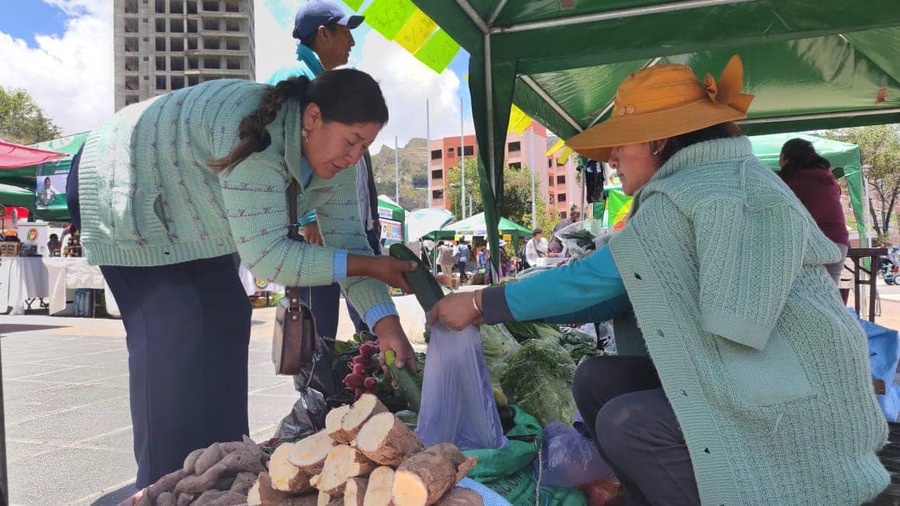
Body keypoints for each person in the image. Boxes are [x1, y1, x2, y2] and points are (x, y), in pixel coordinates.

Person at [427, 55, 889, 504]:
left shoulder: (695, 189)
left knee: (628, 423)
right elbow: (611, 293)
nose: (612, 157)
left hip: (780, 385)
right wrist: (508, 308)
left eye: (621, 142)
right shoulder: (700, 182)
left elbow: (595, 279)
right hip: (746, 368)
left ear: (656, 141)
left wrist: (483, 303)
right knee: (595, 380)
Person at [68, 69, 419, 491]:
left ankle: (223, 476)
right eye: (351, 141)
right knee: (175, 330)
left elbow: (351, 243)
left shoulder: (339, 161)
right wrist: (370, 266)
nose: (355, 157)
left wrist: (388, 326)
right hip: (122, 184)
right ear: (311, 118)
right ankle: (161, 488)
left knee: (228, 317)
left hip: (190, 212)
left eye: (365, 146)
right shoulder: (252, 132)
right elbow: (269, 259)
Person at [267, 0, 381, 340]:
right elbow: (277, 153)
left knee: (367, 320)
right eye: (346, 31)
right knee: (318, 330)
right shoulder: (295, 79)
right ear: (323, 34)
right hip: (319, 226)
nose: (352, 42)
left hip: (352, 222)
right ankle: (313, 391)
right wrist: (306, 220)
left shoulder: (327, 84)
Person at [778, 138, 850, 285]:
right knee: (830, 299)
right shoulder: (828, 178)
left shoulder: (787, 181)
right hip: (839, 242)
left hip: (811, 244)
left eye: (780, 157)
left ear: (786, 158)